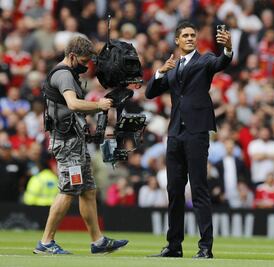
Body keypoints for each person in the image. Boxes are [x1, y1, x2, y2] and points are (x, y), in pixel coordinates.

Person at [33, 36, 128, 255]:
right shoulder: (65, 75)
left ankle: (98, 241)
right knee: (68, 190)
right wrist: (99, 105)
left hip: (74, 140)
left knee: (88, 190)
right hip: (66, 142)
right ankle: (46, 242)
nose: (87, 65)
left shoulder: (68, 73)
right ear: (73, 56)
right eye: (84, 60)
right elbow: (73, 104)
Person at [145, 21, 232, 259]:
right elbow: (150, 92)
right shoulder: (172, 67)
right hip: (174, 134)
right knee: (174, 191)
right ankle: (174, 246)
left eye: (193, 35)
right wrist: (160, 71)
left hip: (196, 132)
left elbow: (221, 62)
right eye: (185, 35)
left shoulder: (204, 60)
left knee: (199, 189)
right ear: (177, 40)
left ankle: (205, 247)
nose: (190, 38)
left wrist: (228, 49)